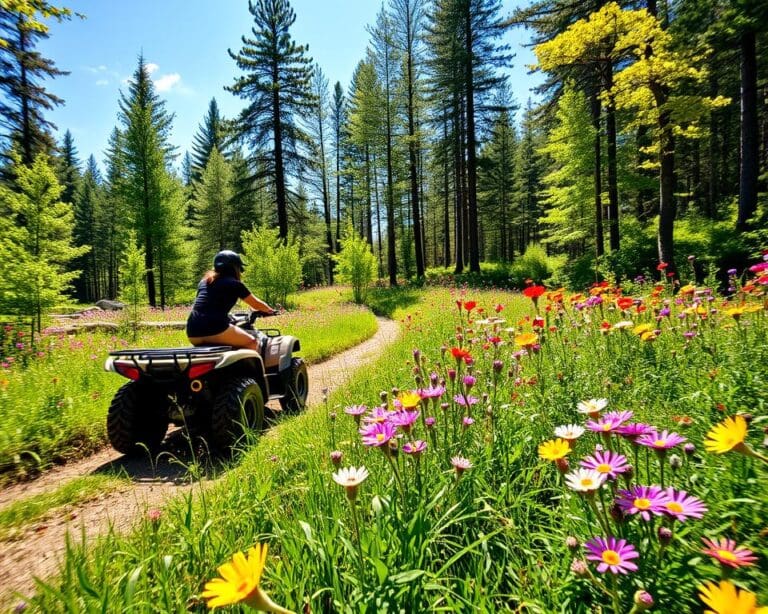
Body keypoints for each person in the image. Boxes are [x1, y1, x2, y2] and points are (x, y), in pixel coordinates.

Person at [186, 250, 276, 350]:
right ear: (235, 268)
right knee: (252, 342)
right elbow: (257, 304)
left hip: (192, 331)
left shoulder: (204, 282)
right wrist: (270, 311)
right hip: (215, 328)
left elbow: (206, 304)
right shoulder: (234, 284)